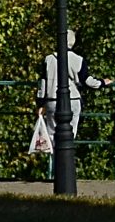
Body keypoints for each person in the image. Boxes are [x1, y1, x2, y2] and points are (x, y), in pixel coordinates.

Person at [31, 30, 108, 160]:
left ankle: (55, 164)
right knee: (70, 135)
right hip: (72, 100)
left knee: (52, 135)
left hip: (52, 100)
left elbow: (42, 83)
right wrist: (102, 82)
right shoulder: (78, 60)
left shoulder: (48, 59)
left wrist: (40, 103)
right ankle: (66, 162)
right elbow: (87, 81)